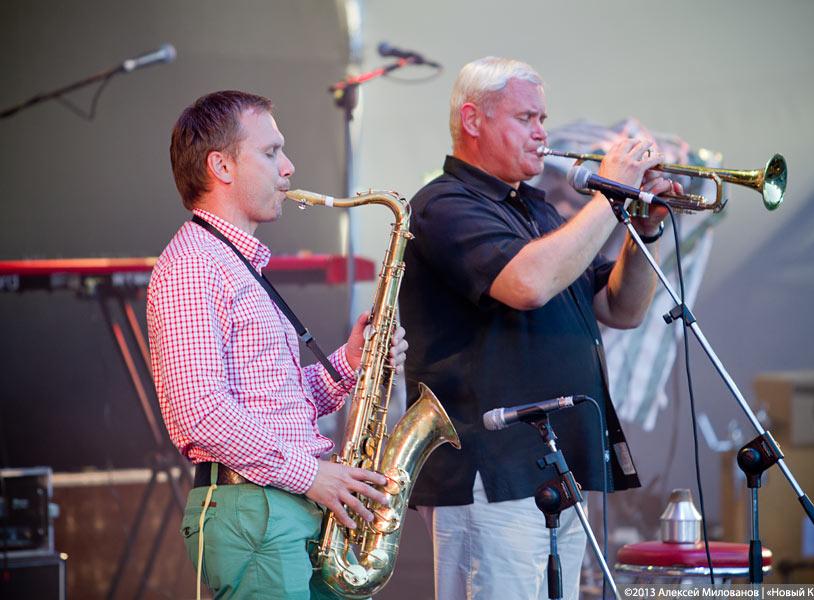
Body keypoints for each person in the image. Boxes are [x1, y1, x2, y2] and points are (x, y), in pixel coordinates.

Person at [399, 57, 682, 600]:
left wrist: (643, 231)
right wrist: (611, 194)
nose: (541, 133)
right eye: (525, 117)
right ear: (473, 120)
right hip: (492, 468)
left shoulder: (537, 211)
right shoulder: (442, 204)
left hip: (558, 464)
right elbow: (527, 284)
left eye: (542, 119)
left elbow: (620, 309)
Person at [147, 90, 407, 599]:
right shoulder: (194, 264)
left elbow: (273, 403)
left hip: (284, 503)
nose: (288, 167)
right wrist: (311, 474)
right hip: (256, 509)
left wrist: (351, 362)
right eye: (270, 152)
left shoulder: (233, 262)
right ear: (221, 166)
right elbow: (200, 413)